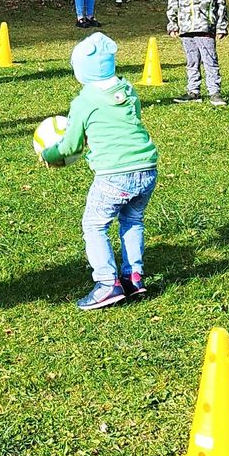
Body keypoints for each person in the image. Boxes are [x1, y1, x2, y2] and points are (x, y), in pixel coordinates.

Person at [38, 32, 159, 310]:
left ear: (82, 72)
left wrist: (49, 154)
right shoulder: (128, 91)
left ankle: (107, 284)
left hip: (114, 174)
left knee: (94, 225)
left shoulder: (84, 102)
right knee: (132, 219)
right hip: (147, 167)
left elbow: (70, 146)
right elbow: (131, 122)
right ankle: (133, 276)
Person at [166, 0, 228, 105]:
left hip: (205, 26)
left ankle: (214, 92)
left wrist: (221, 25)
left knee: (210, 59)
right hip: (185, 26)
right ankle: (193, 91)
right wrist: (173, 23)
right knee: (192, 60)